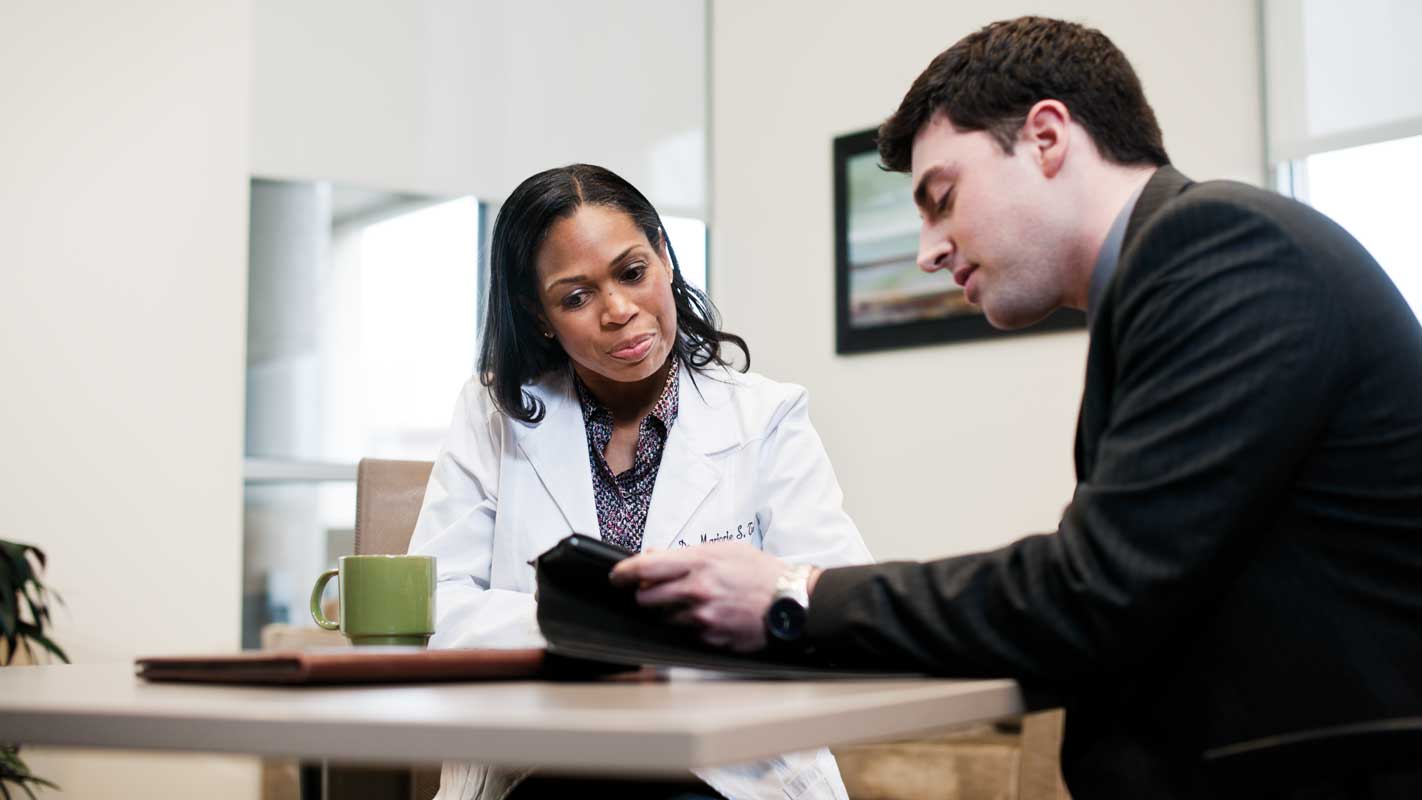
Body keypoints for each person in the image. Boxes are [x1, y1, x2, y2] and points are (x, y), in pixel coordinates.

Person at [612, 16, 1422, 799]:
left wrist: (792, 593)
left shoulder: (1218, 244)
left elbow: (1094, 591)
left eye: (941, 196)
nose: (928, 250)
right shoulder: (1170, 272)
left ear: (1045, 138)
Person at [407, 163, 870, 800]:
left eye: (632, 272)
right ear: (537, 315)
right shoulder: (492, 417)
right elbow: (436, 605)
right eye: (575, 297)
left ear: (665, 258)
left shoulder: (767, 417)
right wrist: (600, 629)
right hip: (541, 768)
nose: (620, 311)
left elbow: (831, 602)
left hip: (727, 774)